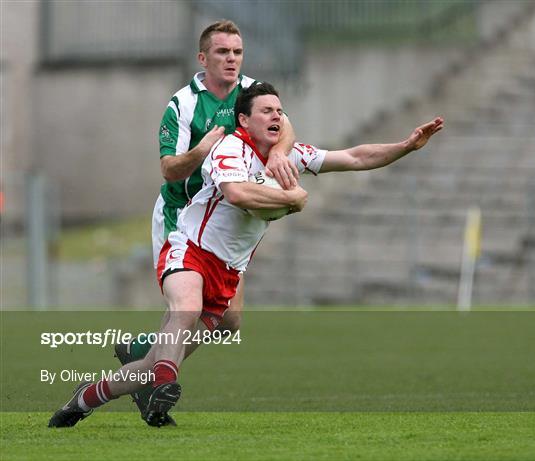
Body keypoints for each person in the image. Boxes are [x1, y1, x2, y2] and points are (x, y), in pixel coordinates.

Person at [49, 82, 443, 428]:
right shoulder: (229, 149)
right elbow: (238, 194)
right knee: (184, 310)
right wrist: (292, 199)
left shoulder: (291, 158)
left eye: (280, 111)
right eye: (267, 110)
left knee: (151, 363)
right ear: (245, 121)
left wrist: (406, 146)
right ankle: (166, 385)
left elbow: (354, 157)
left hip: (228, 273)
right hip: (190, 247)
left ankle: (86, 397)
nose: (277, 116)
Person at [113, 20, 298, 426]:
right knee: (186, 309)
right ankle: (153, 379)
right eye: (222, 52)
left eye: (237, 52)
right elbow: (169, 169)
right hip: (184, 218)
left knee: (228, 321)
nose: (231, 59)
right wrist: (202, 150)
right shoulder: (182, 105)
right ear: (203, 58)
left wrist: (282, 152)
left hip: (226, 218)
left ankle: (145, 355)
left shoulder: (251, 92)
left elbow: (285, 126)